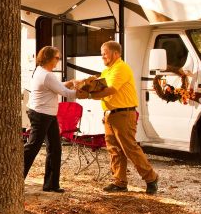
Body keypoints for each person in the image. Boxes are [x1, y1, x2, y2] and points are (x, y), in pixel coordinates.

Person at [82, 41, 159, 194]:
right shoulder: (106, 71)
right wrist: (86, 89)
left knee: (130, 148)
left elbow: (111, 90)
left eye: (105, 52)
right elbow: (101, 93)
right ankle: (119, 182)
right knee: (114, 149)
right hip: (110, 114)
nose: (102, 55)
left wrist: (89, 95)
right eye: (101, 52)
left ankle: (151, 178)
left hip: (123, 114)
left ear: (116, 53)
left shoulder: (121, 68)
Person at [23, 46, 76, 193]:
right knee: (33, 147)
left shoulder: (40, 71)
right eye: (57, 58)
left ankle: (51, 185)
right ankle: (15, 177)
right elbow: (65, 92)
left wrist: (70, 83)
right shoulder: (47, 75)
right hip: (42, 114)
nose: (58, 61)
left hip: (46, 114)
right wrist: (84, 90)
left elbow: (56, 87)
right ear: (48, 58)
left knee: (55, 148)